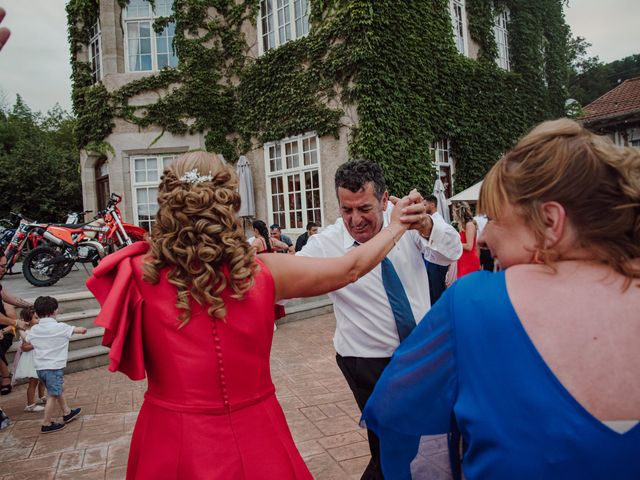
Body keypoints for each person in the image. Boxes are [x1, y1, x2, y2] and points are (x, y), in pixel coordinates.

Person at [86, 151, 422, 480]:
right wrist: (394, 227)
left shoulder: (134, 274)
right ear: (229, 205)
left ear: (168, 206)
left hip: (169, 433)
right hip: (256, 431)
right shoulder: (263, 274)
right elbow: (351, 269)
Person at [362, 118, 640, 479]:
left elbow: (399, 414)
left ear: (551, 221)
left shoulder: (475, 303)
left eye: (494, 218)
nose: (482, 237)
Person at [297, 159, 461, 479]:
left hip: (416, 355)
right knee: (391, 441)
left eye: (364, 208)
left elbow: (451, 250)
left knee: (406, 440)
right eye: (347, 210)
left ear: (384, 200)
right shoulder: (327, 244)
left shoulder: (407, 223)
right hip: (366, 359)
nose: (355, 220)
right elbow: (288, 282)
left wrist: (428, 225)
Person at [27, 296, 86, 434]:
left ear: (37, 313)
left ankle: (67, 412)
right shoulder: (60, 327)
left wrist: (21, 329)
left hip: (40, 369)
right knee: (53, 395)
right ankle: (46, 423)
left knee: (57, 389)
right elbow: (77, 330)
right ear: (54, 311)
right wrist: (83, 329)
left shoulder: (35, 329)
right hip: (53, 368)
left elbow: (27, 337)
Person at [0, 254, 30, 395]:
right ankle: (6, 375)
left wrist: (31, 306)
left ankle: (5, 377)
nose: (4, 270)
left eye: (5, 266)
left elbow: (11, 299)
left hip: (4, 329)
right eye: (1, 266)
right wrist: (16, 322)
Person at [13, 307, 47, 412]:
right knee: (33, 381)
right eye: (36, 318)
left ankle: (42, 396)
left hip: (40, 357)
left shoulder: (39, 330)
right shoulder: (27, 332)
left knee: (42, 379)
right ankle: (30, 405)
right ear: (28, 321)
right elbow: (24, 347)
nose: (39, 320)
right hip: (32, 360)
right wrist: (35, 345)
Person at [423, 195, 450, 305]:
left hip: (436, 261)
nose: (423, 207)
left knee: (437, 292)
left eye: (425, 205)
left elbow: (439, 241)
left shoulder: (437, 221)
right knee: (433, 291)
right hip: (432, 260)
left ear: (432, 205)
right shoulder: (433, 219)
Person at [452, 201, 480, 278]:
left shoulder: (469, 225)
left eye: (453, 212)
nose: (452, 214)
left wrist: (454, 243)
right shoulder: (463, 226)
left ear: (459, 212)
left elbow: (469, 246)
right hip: (463, 260)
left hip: (469, 261)